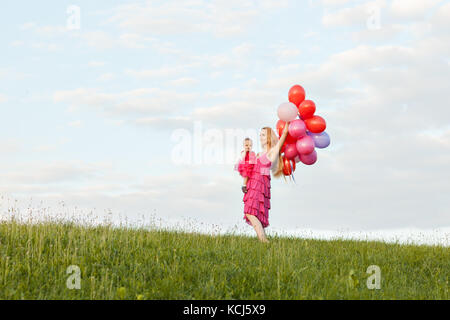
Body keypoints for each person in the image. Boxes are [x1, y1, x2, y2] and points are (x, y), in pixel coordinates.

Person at [242, 123, 289, 243]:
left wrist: (288, 123)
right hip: (252, 183)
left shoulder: (272, 151)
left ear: (269, 136)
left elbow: (284, 135)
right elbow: (249, 169)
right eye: (260, 134)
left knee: (250, 212)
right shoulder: (257, 154)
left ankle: (264, 241)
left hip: (260, 184)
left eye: (263, 134)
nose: (260, 137)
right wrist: (244, 183)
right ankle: (263, 242)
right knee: (252, 213)